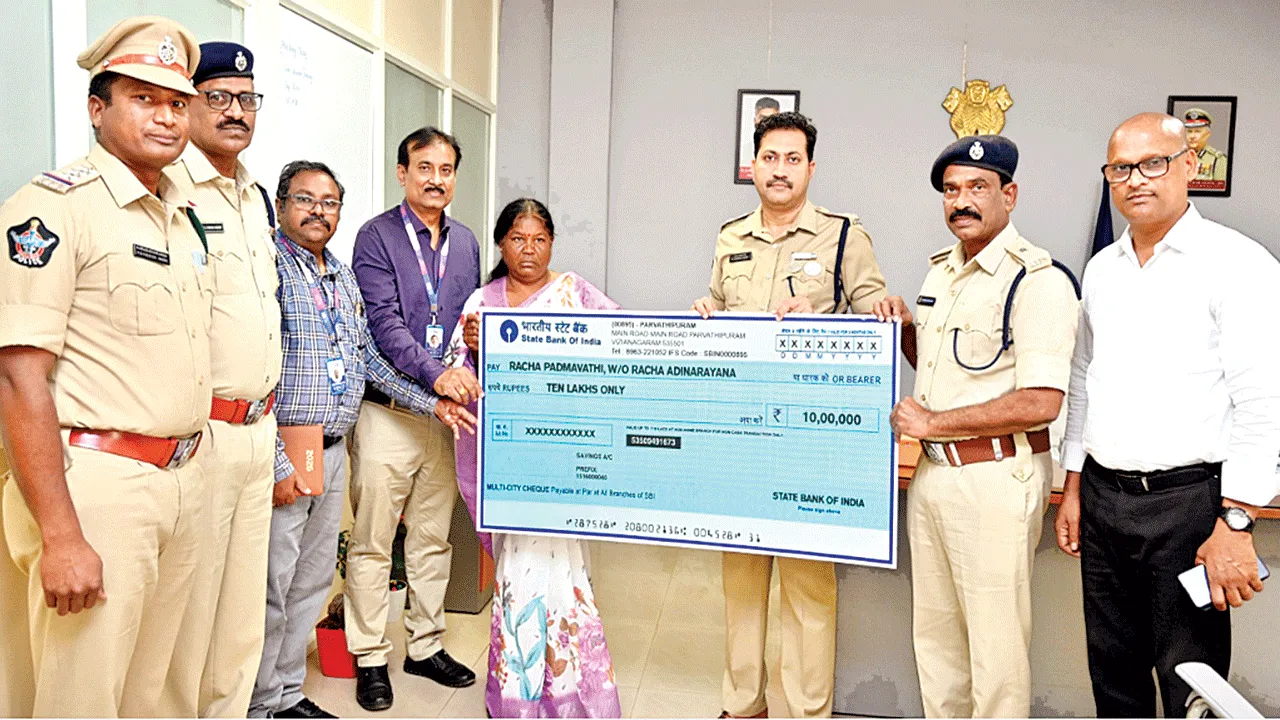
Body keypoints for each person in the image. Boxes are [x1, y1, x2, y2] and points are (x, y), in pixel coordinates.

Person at [0, 16, 212, 717]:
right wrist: (62, 535)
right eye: (143, 98)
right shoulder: (54, 209)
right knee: (82, 697)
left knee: (149, 694)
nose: (166, 117)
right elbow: (18, 378)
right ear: (98, 108)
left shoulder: (179, 214)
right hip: (97, 489)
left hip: (181, 480)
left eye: (177, 102)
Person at [1057, 112, 1280, 718]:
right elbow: (1083, 380)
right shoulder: (1102, 270)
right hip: (1104, 498)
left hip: (1188, 507)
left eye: (1152, 163)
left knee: (1190, 681)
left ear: (1189, 166)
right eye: (1120, 168)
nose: (1136, 179)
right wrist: (1073, 484)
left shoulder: (1237, 263)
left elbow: (1263, 401)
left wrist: (1236, 521)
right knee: (1113, 675)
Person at [249, 160, 475, 719]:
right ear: (281, 205)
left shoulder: (340, 275)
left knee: (310, 579)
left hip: (331, 445)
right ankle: (262, 701)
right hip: (290, 444)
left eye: (329, 203)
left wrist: (434, 404)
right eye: (305, 200)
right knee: (274, 583)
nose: (318, 211)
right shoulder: (267, 267)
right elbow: (254, 368)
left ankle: (287, 694)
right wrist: (276, 459)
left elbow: (368, 357)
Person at [871, 135, 1079, 718]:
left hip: (994, 478)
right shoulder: (942, 271)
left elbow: (1042, 401)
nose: (961, 201)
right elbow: (945, 370)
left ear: (1009, 195)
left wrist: (932, 422)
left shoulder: (1038, 281)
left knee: (995, 653)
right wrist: (904, 331)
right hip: (935, 476)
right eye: (951, 190)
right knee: (936, 644)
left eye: (978, 188)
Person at [692, 111, 887, 719]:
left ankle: (808, 710)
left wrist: (829, 321)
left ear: (810, 167)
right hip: (739, 436)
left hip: (809, 441)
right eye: (770, 158)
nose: (780, 170)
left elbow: (878, 316)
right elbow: (719, 307)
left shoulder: (844, 235)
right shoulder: (730, 237)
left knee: (808, 588)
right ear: (754, 165)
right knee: (741, 581)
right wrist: (705, 312)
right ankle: (743, 704)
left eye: (792, 159)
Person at [447, 198, 622, 718]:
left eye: (540, 239)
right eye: (518, 239)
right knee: (518, 570)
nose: (529, 249)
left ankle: (572, 691)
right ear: (502, 244)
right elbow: (457, 380)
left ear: (552, 244)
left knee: (564, 568)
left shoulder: (574, 293)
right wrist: (476, 350)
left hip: (561, 458)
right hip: (508, 465)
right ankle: (519, 695)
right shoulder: (482, 302)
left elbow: (620, 342)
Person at [346, 126, 482, 710]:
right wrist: (436, 376)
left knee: (432, 539)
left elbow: (466, 319)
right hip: (390, 414)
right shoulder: (376, 237)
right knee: (374, 542)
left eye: (445, 169)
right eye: (424, 167)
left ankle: (425, 646)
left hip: (445, 418)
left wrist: (472, 342)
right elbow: (383, 325)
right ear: (402, 173)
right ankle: (369, 656)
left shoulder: (466, 242)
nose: (435, 179)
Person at [164, 40, 281, 718]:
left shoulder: (254, 196)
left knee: (241, 610)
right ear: (190, 105)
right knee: (191, 607)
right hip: (202, 431)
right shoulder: (170, 190)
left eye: (247, 98)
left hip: (258, 429)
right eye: (219, 98)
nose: (236, 111)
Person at [1183, 108, 1228, 183]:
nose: (1192, 136)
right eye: (1189, 131)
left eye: (1197, 131)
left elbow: (1221, 187)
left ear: (1207, 134)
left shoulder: (1217, 159)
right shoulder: (1179, 157)